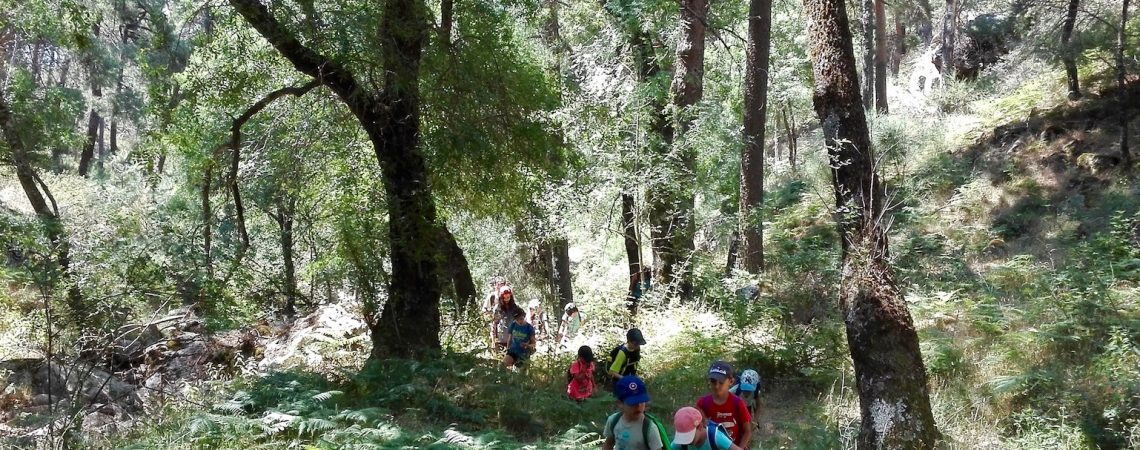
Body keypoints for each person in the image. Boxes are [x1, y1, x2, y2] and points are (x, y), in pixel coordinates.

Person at [696, 361, 753, 448]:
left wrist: (740, 448)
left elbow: (747, 431)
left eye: (721, 382)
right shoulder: (703, 403)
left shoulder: (737, 403)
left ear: (731, 381)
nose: (716, 386)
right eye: (713, 381)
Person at [602, 375, 666, 450]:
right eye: (633, 403)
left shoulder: (649, 428)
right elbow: (609, 443)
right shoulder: (613, 421)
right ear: (620, 404)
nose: (638, 406)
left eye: (641, 401)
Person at [670, 406, 742, 450]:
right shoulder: (680, 443)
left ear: (700, 427)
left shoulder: (715, 437)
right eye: (683, 437)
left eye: (688, 437)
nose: (686, 442)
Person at [490, 284, 518, 349]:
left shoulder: (515, 308)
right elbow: (494, 324)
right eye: (504, 297)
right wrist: (493, 340)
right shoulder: (497, 309)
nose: (506, 299)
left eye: (508, 297)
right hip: (501, 340)